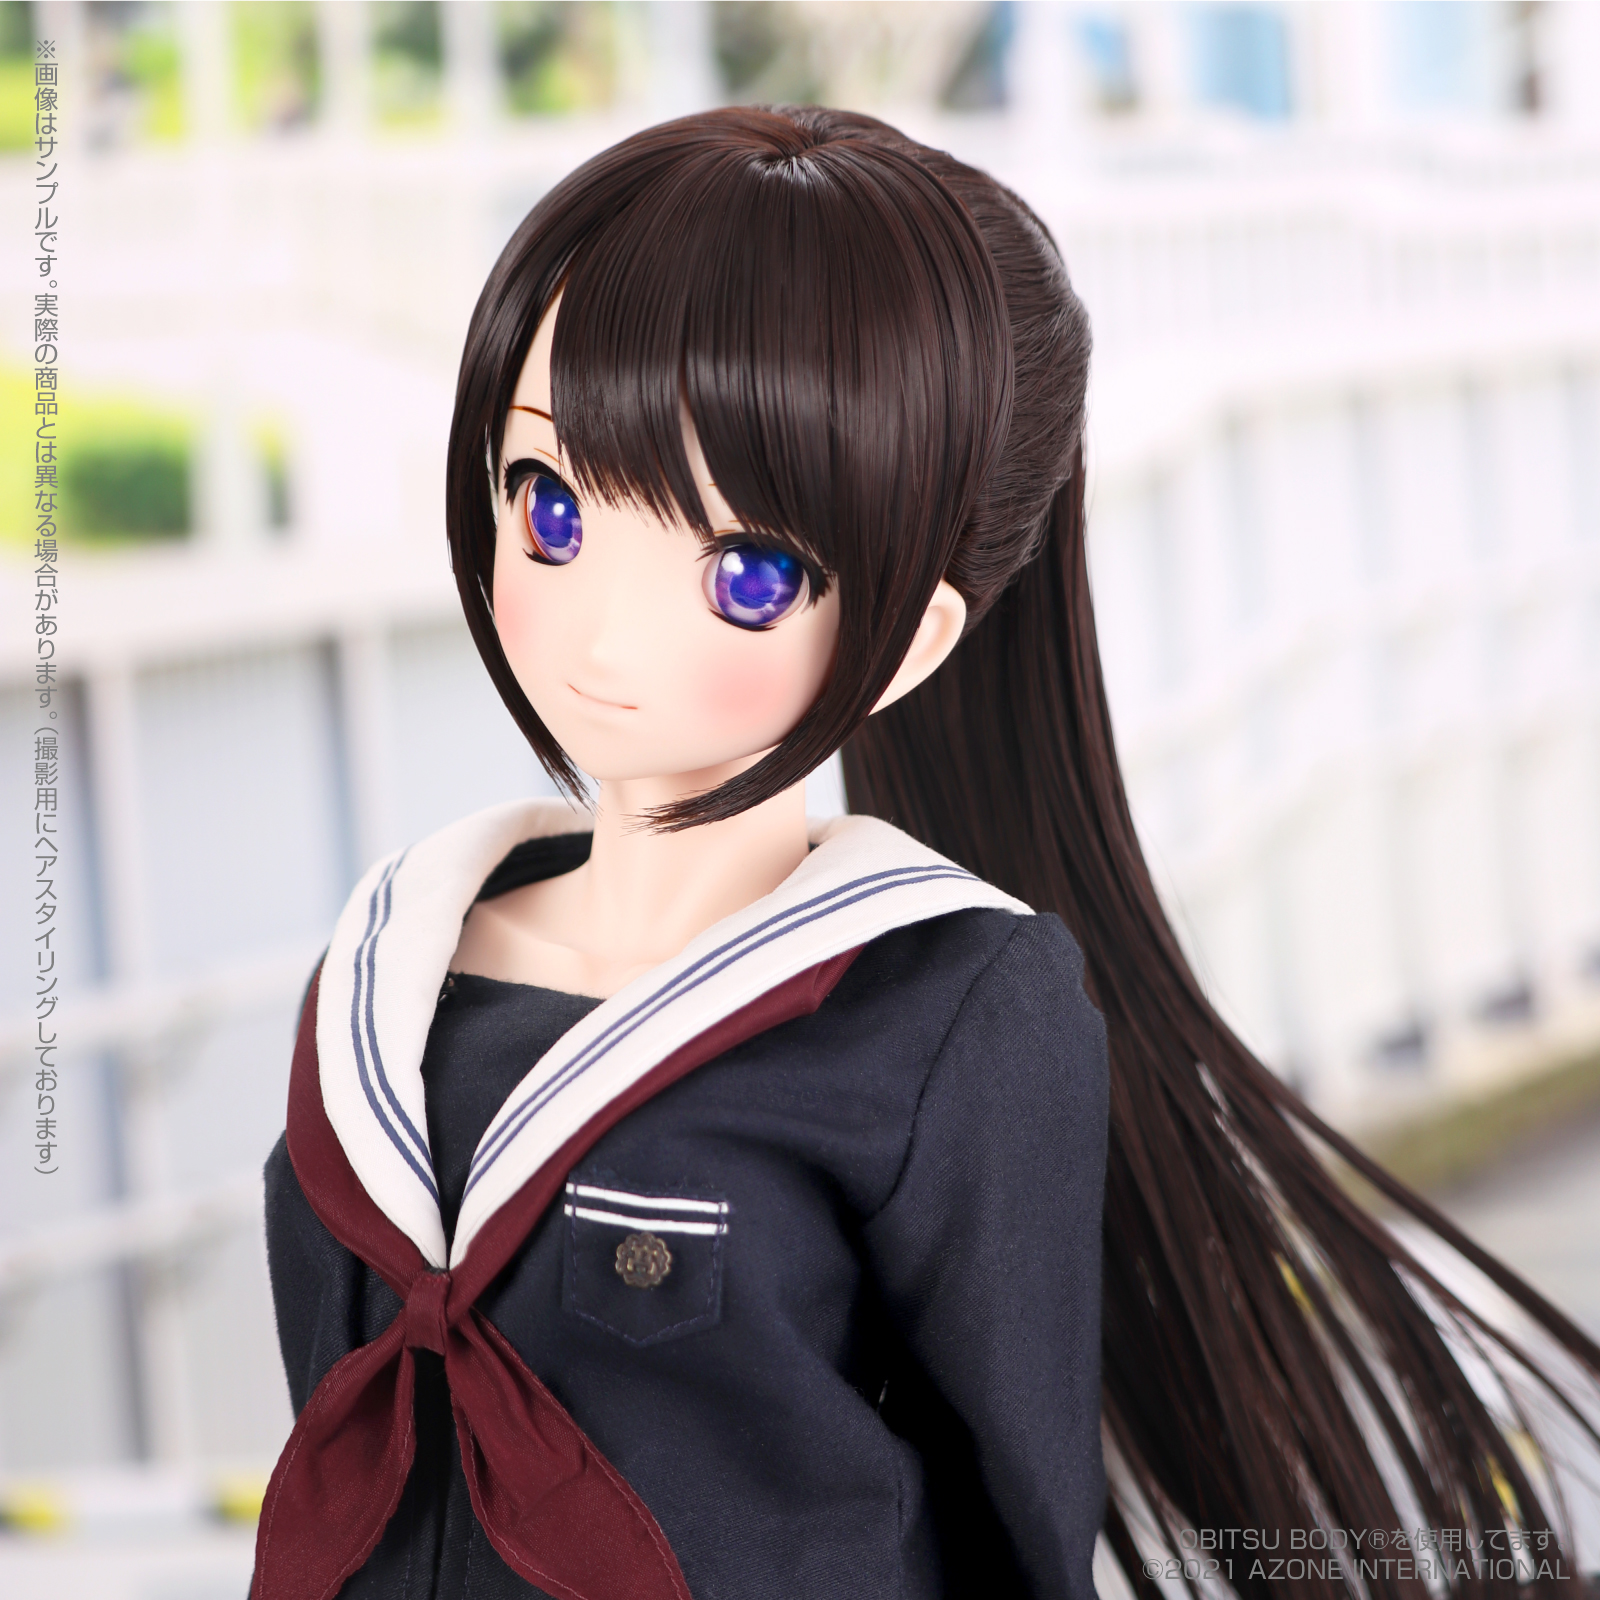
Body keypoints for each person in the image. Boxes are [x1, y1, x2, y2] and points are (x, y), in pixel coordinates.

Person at [254, 107, 1599, 1600]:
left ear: (907, 640)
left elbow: (1015, 1515)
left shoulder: (939, 1012)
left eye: (746, 574)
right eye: (550, 507)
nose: (603, 638)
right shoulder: (389, 976)